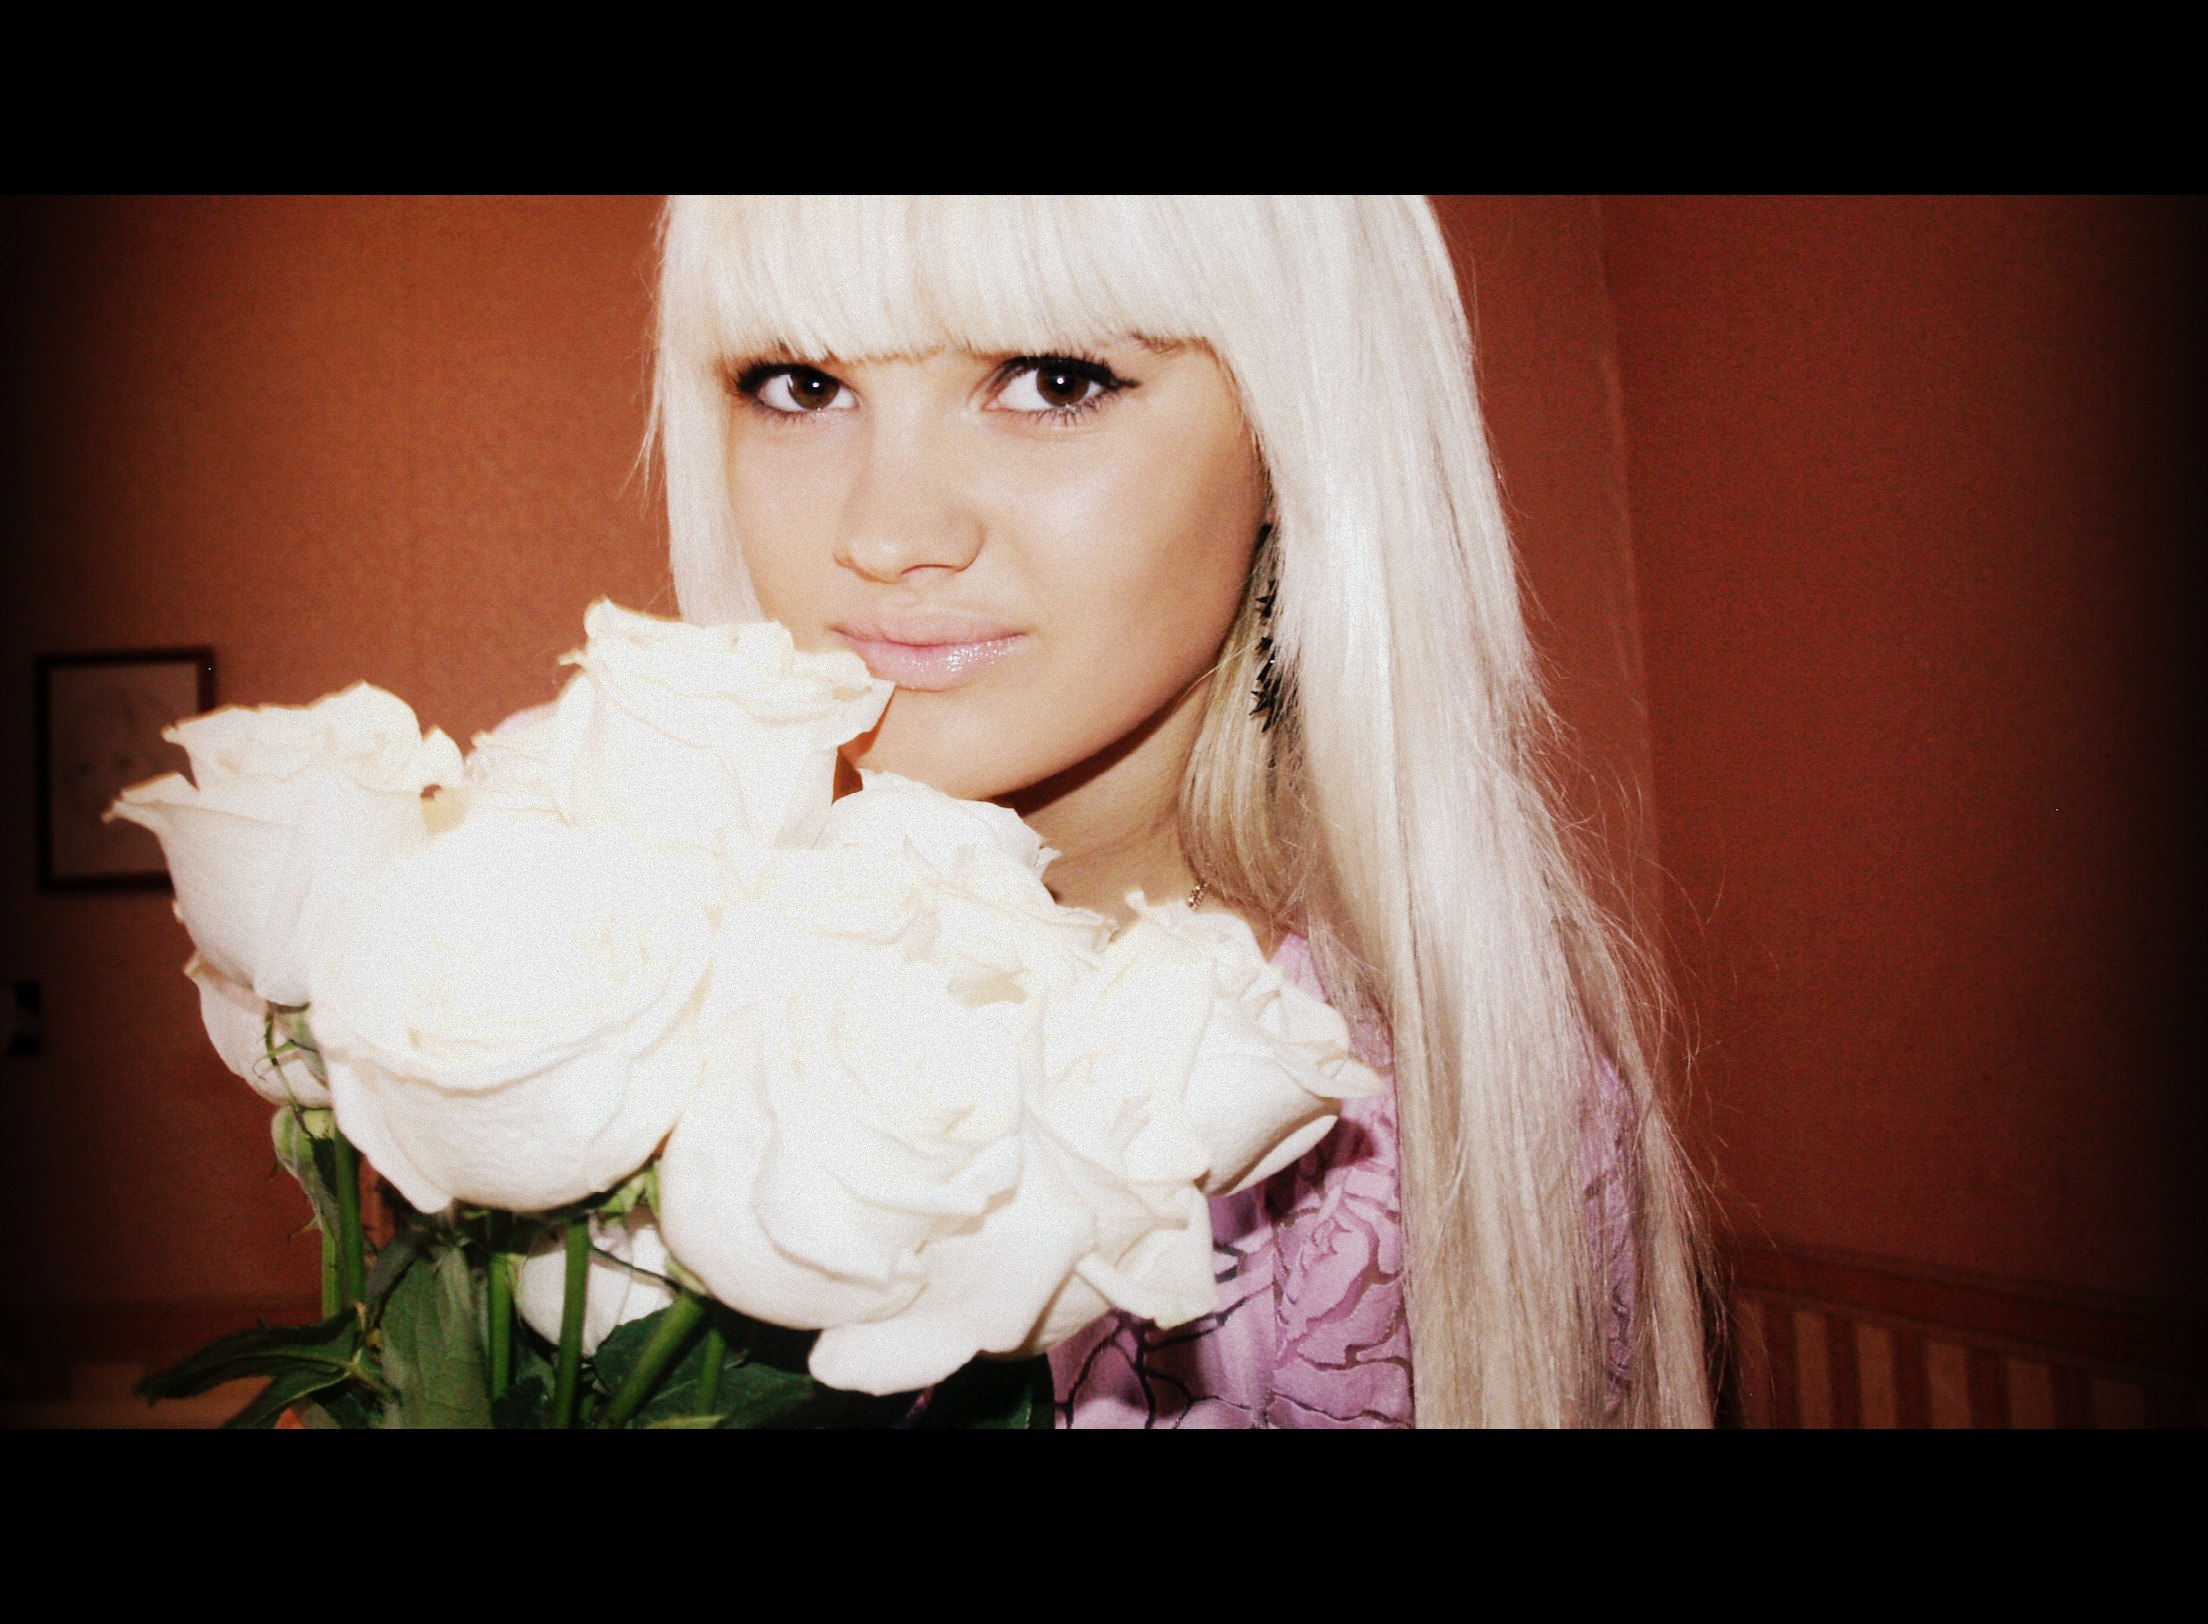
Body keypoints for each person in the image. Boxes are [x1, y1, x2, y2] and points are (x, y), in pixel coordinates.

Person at [650, 196, 1711, 1427]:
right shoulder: (629, 1013)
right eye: (800, 385)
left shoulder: (1394, 1134)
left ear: (1293, 434)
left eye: (1054, 380)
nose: (886, 534)